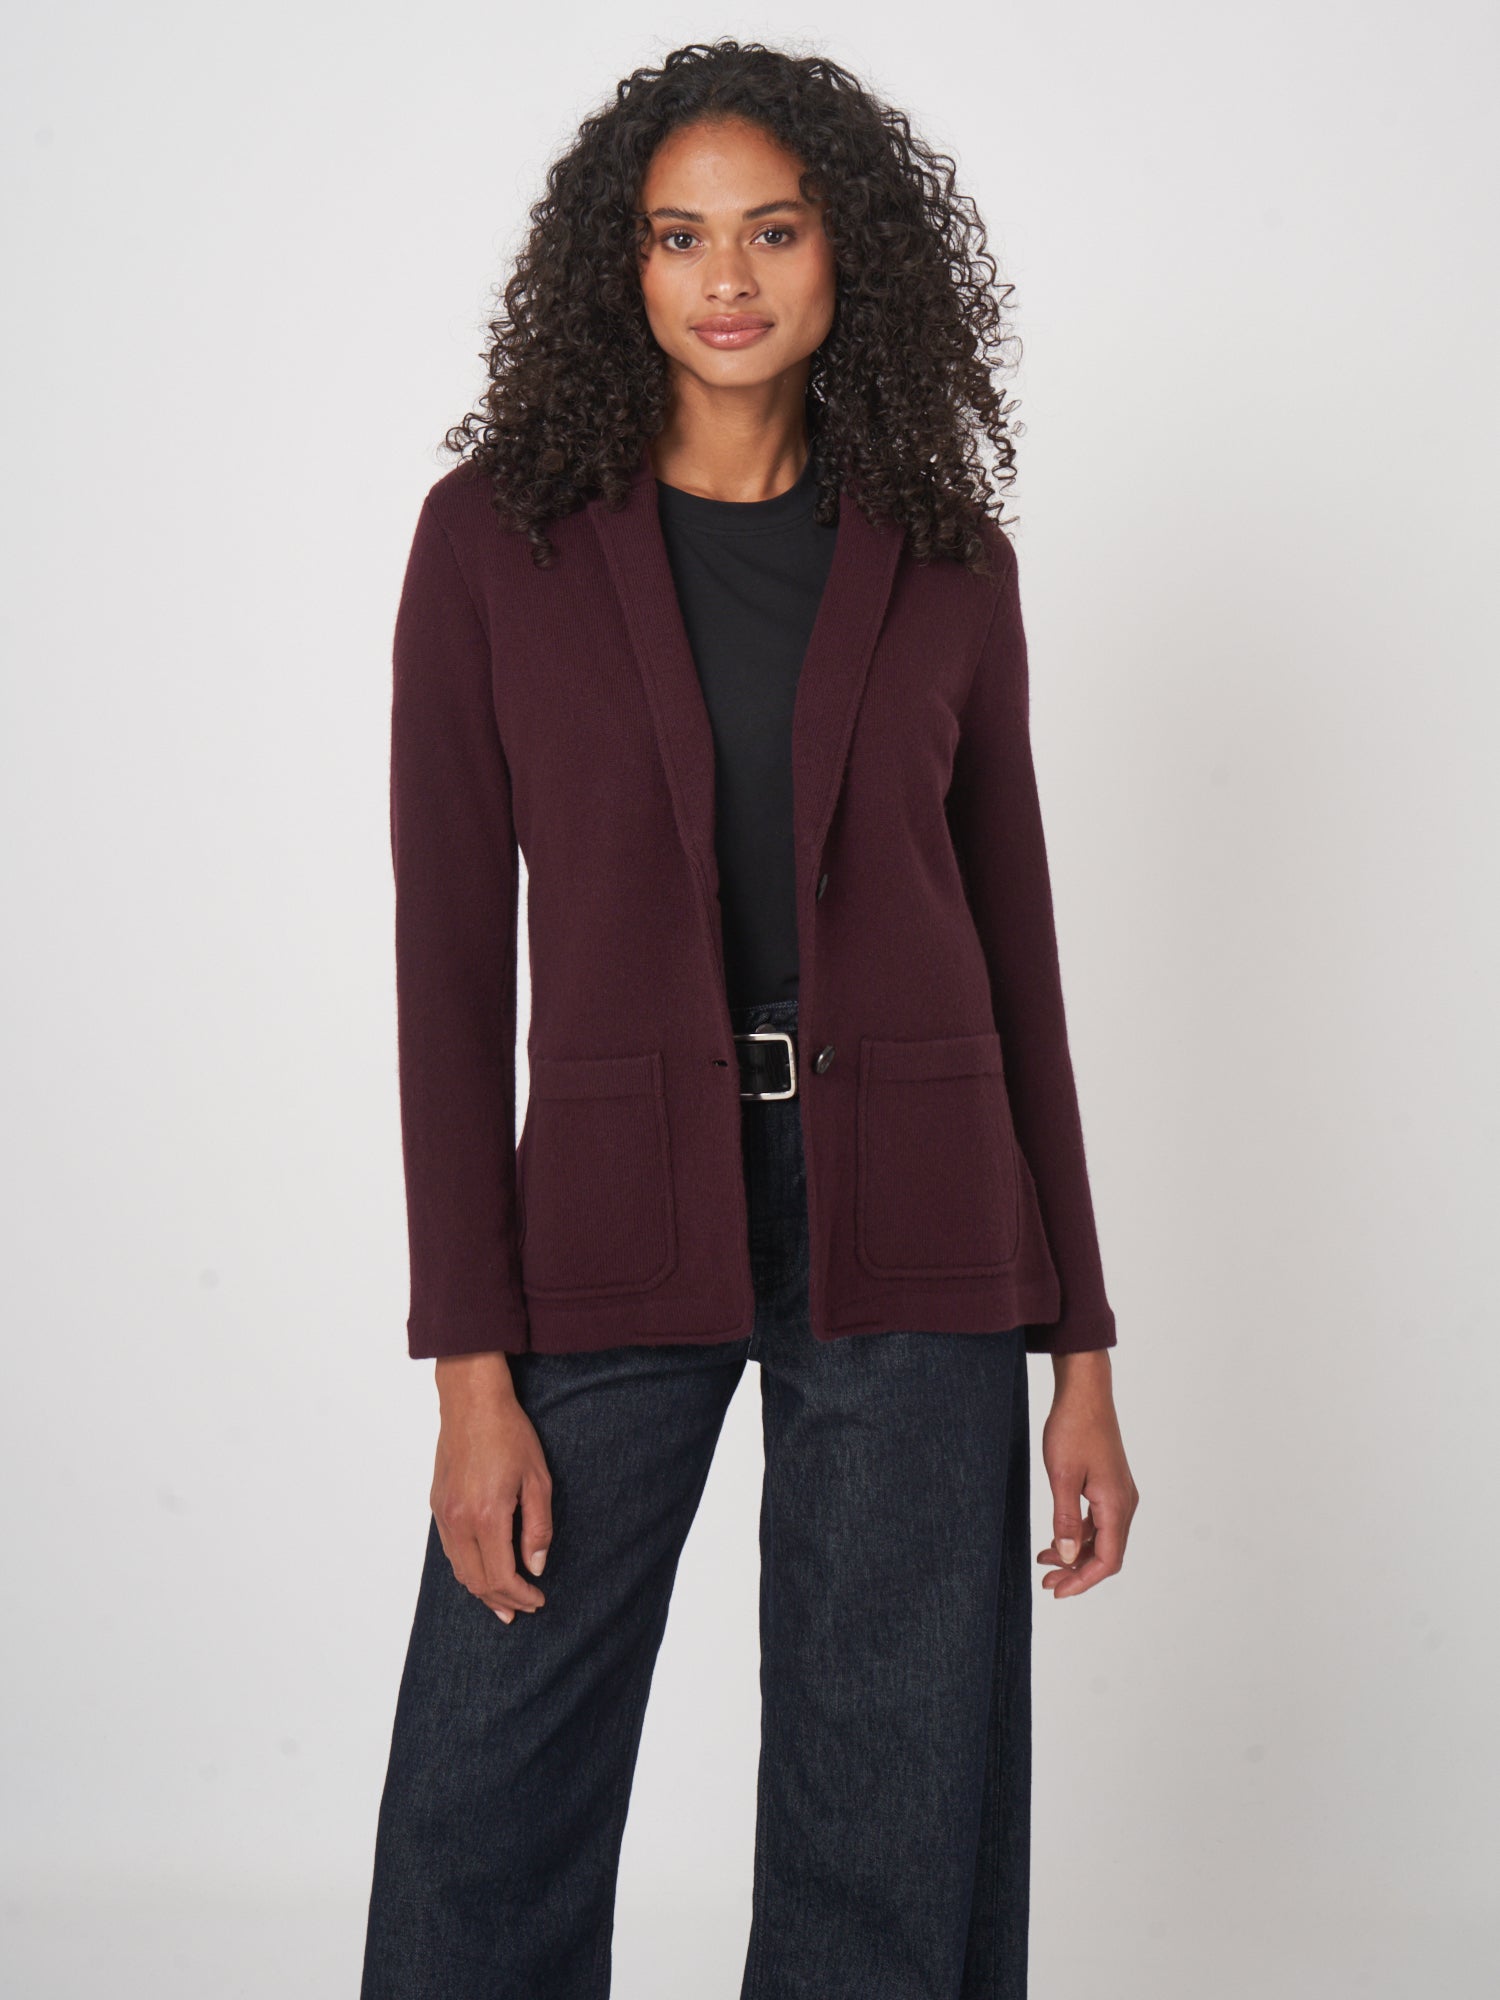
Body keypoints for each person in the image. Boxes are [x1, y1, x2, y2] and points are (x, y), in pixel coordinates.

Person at [360, 37, 1139, 2000]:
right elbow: (445, 969)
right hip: (613, 1203)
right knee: (487, 1777)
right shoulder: (496, 541)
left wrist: (1082, 1349)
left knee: (893, 1804)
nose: (727, 276)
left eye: (773, 231)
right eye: (679, 235)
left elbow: (1019, 953)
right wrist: (469, 1366)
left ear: (845, 252)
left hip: (922, 1209)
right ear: (615, 264)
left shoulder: (945, 556)